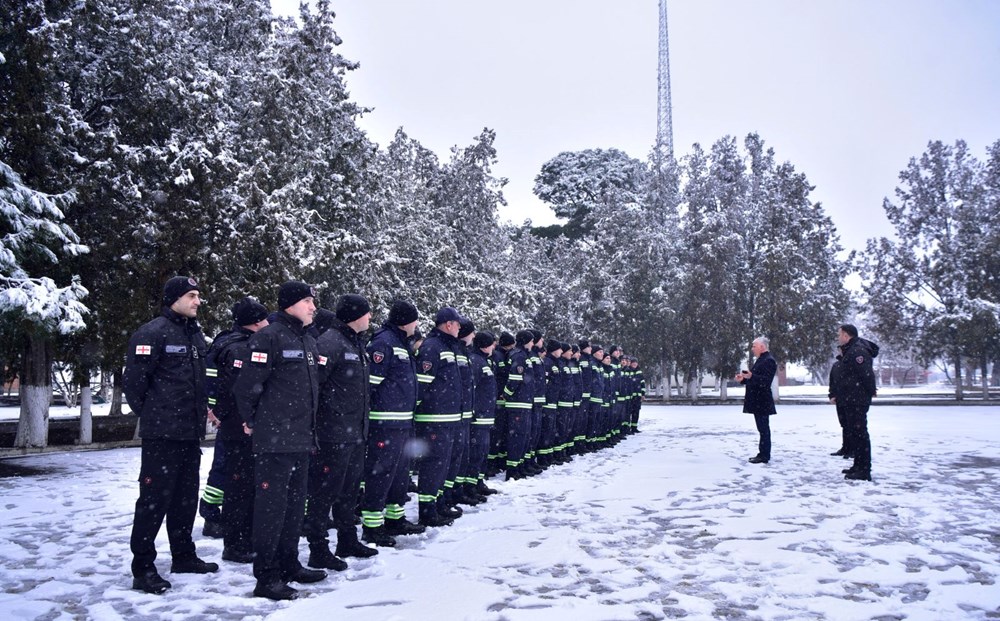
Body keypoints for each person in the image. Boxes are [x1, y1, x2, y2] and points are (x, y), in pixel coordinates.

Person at [124, 276, 219, 594]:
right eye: (192, 295)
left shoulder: (194, 335)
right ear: (174, 298)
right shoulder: (151, 333)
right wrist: (156, 417)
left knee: (184, 500)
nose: (197, 301)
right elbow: (135, 385)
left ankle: (183, 556)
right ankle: (143, 568)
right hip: (162, 437)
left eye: (199, 295)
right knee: (152, 503)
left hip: (190, 435)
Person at [234, 281, 327, 601]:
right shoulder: (267, 337)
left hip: (301, 439)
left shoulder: (307, 340)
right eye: (307, 301)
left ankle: (289, 565)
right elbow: (247, 387)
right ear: (290, 304)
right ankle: (267, 576)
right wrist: (253, 422)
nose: (313, 307)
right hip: (275, 441)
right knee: (271, 510)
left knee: (292, 508)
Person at [304, 294, 379, 563]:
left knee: (349, 490)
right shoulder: (330, 343)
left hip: (355, 432)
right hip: (332, 433)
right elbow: (315, 387)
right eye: (367, 313)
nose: (370, 318)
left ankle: (347, 540)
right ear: (355, 315)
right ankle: (318, 549)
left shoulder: (356, 344)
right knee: (325, 493)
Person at [204, 296, 269, 564]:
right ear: (255, 323)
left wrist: (216, 411)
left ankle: (242, 539)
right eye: (265, 319)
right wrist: (244, 419)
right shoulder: (242, 348)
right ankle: (237, 544)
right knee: (241, 487)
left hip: (233, 425)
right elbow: (237, 390)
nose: (268, 323)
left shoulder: (226, 341)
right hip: (241, 428)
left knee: (238, 483)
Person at [361, 300, 425, 542]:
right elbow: (370, 385)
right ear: (405, 321)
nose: (417, 324)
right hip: (384, 422)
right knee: (381, 473)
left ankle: (395, 518)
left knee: (400, 473)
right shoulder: (383, 342)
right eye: (415, 320)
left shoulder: (400, 343)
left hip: (402, 421)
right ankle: (372, 526)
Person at [413, 307, 465, 527]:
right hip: (434, 418)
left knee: (444, 464)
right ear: (449, 324)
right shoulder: (433, 347)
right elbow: (421, 384)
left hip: (449, 417)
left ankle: (438, 503)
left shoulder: (449, 347)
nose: (460, 328)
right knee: (433, 465)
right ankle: (427, 510)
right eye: (458, 324)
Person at [831, 324, 879, 481]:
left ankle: (864, 470)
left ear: (846, 335)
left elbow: (866, 374)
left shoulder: (857, 351)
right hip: (850, 399)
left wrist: (870, 392)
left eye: (840, 334)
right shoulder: (850, 350)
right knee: (855, 433)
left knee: (860, 434)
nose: (838, 338)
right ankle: (858, 465)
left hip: (856, 400)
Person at [736, 337, 778, 464]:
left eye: (754, 346)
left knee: (764, 429)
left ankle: (764, 455)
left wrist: (751, 376)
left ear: (762, 347)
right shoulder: (761, 360)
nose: (752, 349)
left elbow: (765, 381)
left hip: (762, 401)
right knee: (762, 428)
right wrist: (743, 380)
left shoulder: (769, 361)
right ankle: (762, 453)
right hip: (758, 400)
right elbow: (755, 379)